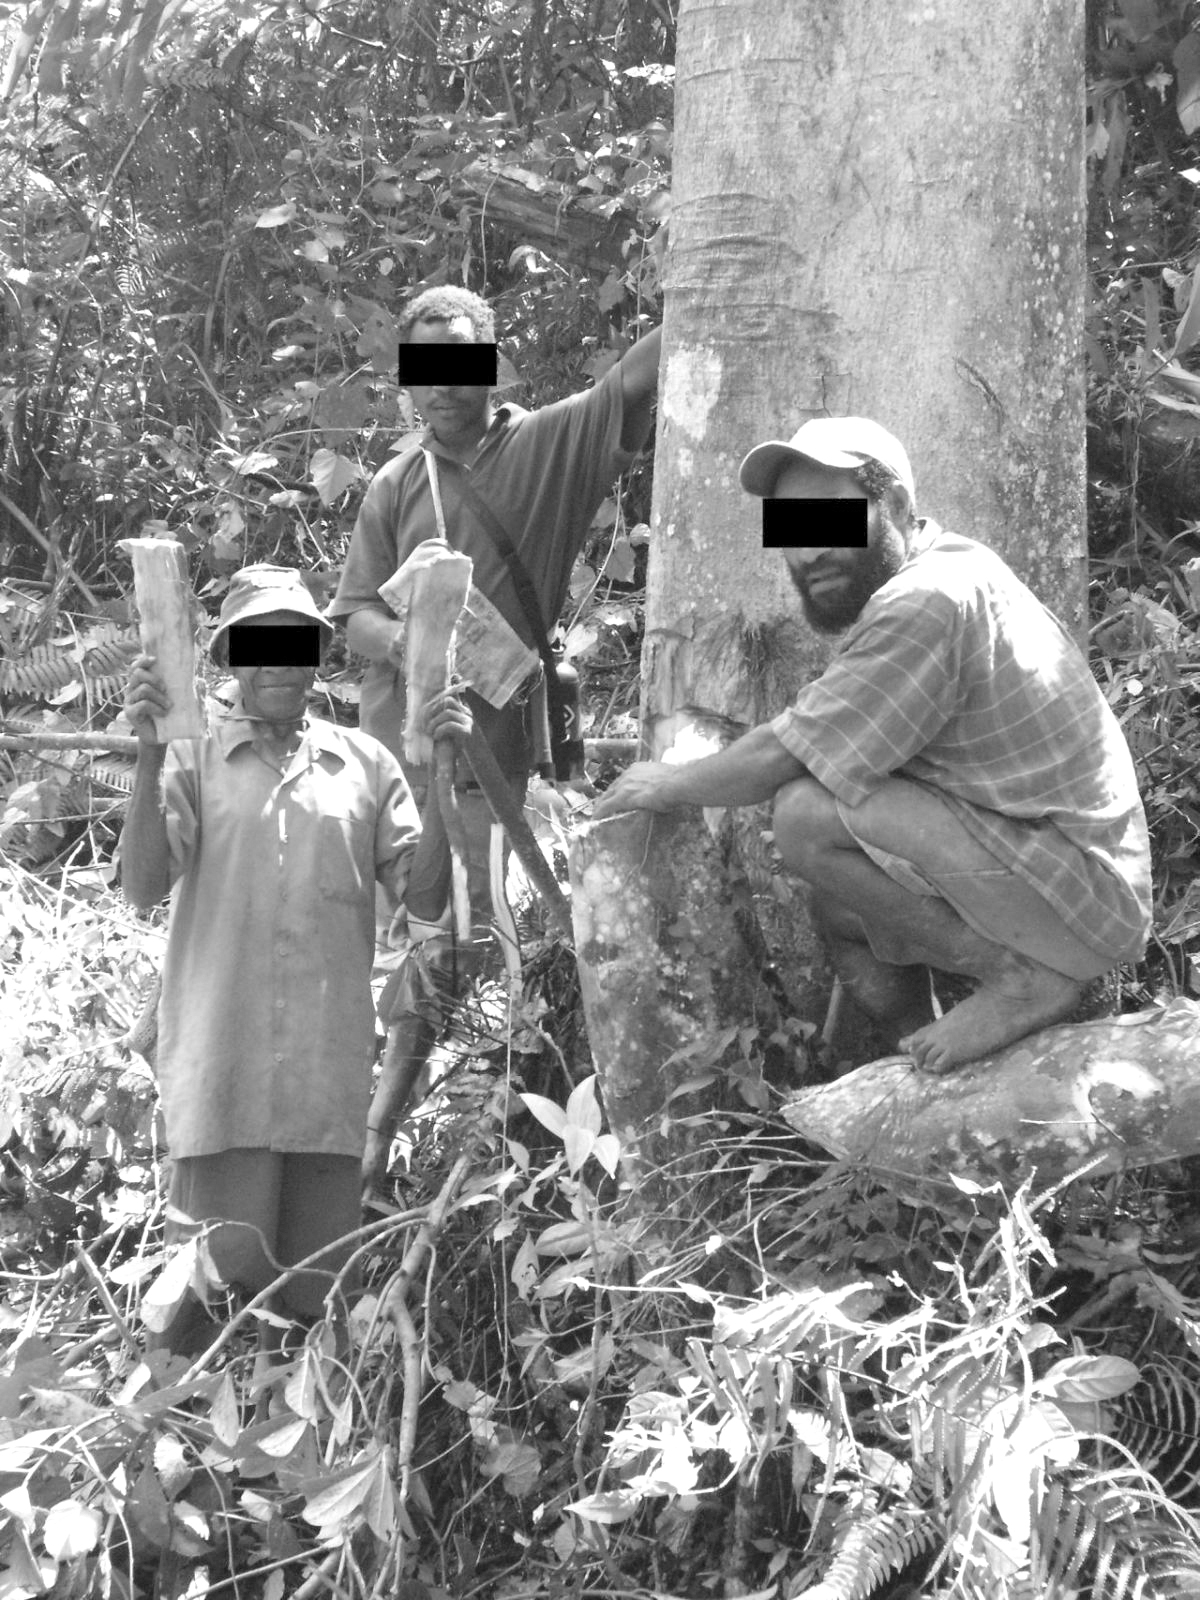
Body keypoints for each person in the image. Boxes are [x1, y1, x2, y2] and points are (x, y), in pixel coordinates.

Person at [593, 418, 1153, 1074]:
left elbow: (785, 754)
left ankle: (1017, 978)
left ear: (896, 505)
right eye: (789, 530)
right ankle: (909, 1068)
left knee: (804, 816)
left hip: (1084, 901)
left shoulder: (927, 601)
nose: (808, 552)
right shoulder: (953, 561)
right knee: (843, 907)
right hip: (1066, 875)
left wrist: (666, 784)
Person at [327, 286, 662, 1179]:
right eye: (423, 369)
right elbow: (355, 615)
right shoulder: (396, 484)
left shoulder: (546, 446)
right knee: (407, 920)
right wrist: (419, 637)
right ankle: (360, 1120)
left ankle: (401, 1128)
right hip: (399, 748)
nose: (440, 386)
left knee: (465, 925)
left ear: (492, 365)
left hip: (493, 745)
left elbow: (632, 382)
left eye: (458, 363)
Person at [121, 564, 469, 1351]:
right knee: (203, 1311)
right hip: (223, 1076)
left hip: (324, 1083)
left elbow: (422, 901)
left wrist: (443, 778)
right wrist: (146, 757)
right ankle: (184, 1426)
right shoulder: (192, 761)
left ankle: (291, 1434)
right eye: (258, 644)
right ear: (231, 660)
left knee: (308, 1317)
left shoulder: (367, 766)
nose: (278, 662)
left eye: (294, 643)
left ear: (317, 656)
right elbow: (142, 885)